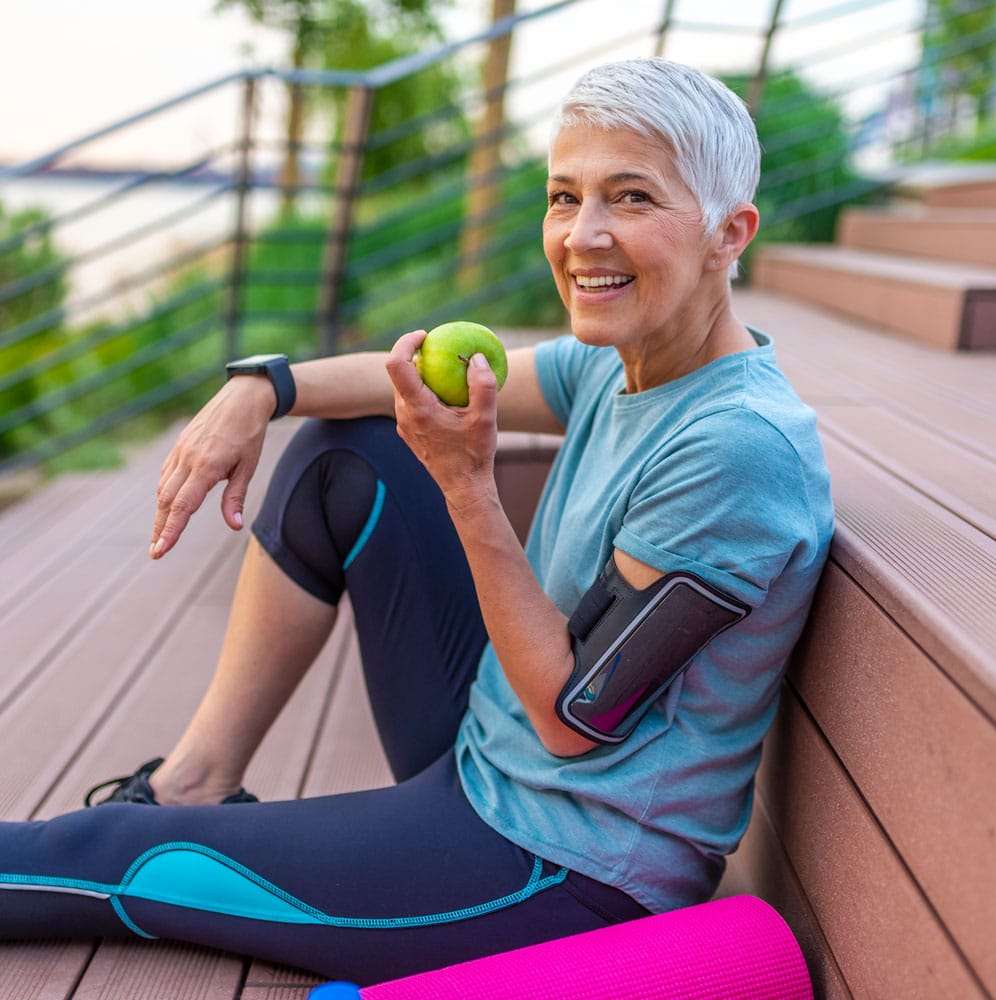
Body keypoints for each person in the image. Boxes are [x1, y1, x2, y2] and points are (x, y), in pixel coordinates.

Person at [0, 58, 834, 984]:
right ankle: (195, 779)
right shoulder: (626, 356)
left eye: (630, 199)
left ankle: (144, 825)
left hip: (561, 870)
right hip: (484, 752)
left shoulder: (735, 451)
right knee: (347, 453)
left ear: (730, 233)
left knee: (128, 858)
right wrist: (262, 386)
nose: (583, 235)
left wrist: (468, 486)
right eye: (565, 197)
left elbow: (571, 722)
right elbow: (402, 373)